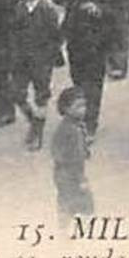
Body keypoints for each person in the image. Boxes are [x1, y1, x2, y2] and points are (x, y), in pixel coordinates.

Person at [53, 0, 124, 137]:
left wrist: (99, 8)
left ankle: (89, 124)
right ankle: (79, 117)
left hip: (98, 39)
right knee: (77, 79)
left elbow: (118, 9)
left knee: (93, 84)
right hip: (75, 37)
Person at [7, 0, 63, 151]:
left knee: (41, 96)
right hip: (20, 59)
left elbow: (56, 37)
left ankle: (37, 133)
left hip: (41, 60)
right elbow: (12, 32)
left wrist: (49, 57)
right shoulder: (18, 8)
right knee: (17, 93)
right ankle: (33, 120)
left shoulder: (48, 10)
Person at [51, 86, 95, 218]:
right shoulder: (68, 129)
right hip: (68, 173)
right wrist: (79, 178)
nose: (83, 110)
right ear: (66, 109)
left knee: (70, 202)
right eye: (78, 106)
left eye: (84, 105)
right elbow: (67, 155)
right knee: (79, 202)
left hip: (68, 172)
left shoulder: (77, 125)